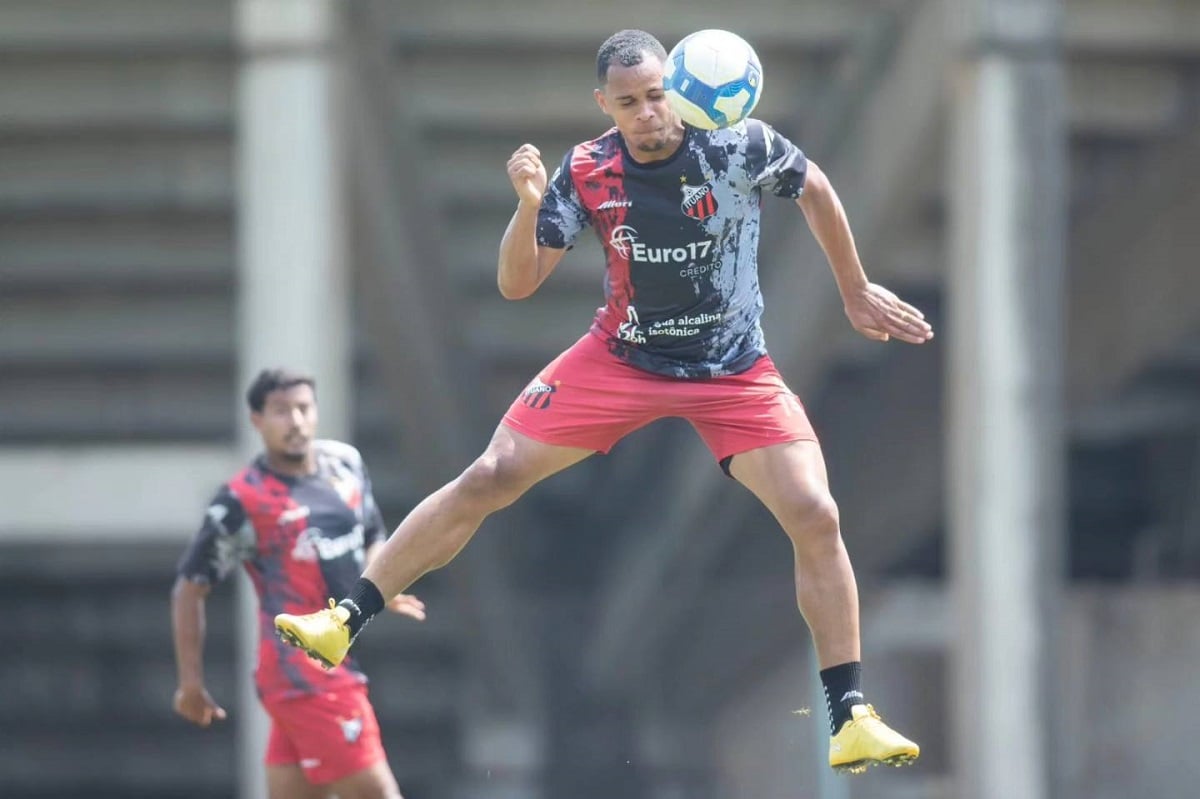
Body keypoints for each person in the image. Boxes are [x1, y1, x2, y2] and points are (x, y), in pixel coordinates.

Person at [276, 29, 932, 774]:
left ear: (679, 88)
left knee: (815, 512)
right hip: (619, 359)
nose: (648, 113)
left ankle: (850, 715)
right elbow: (517, 282)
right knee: (491, 474)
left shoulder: (736, 144)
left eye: (657, 96)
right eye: (629, 103)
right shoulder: (588, 168)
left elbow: (812, 185)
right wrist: (527, 206)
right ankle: (344, 617)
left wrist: (854, 288)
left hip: (732, 369)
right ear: (605, 105)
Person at [172, 368, 427, 799]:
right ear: (257, 420)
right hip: (305, 673)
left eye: (303, 408)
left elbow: (372, 533)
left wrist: (384, 584)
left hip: (331, 663)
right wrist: (190, 683)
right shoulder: (242, 500)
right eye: (281, 411)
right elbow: (189, 587)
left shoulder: (345, 464)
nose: (296, 421)